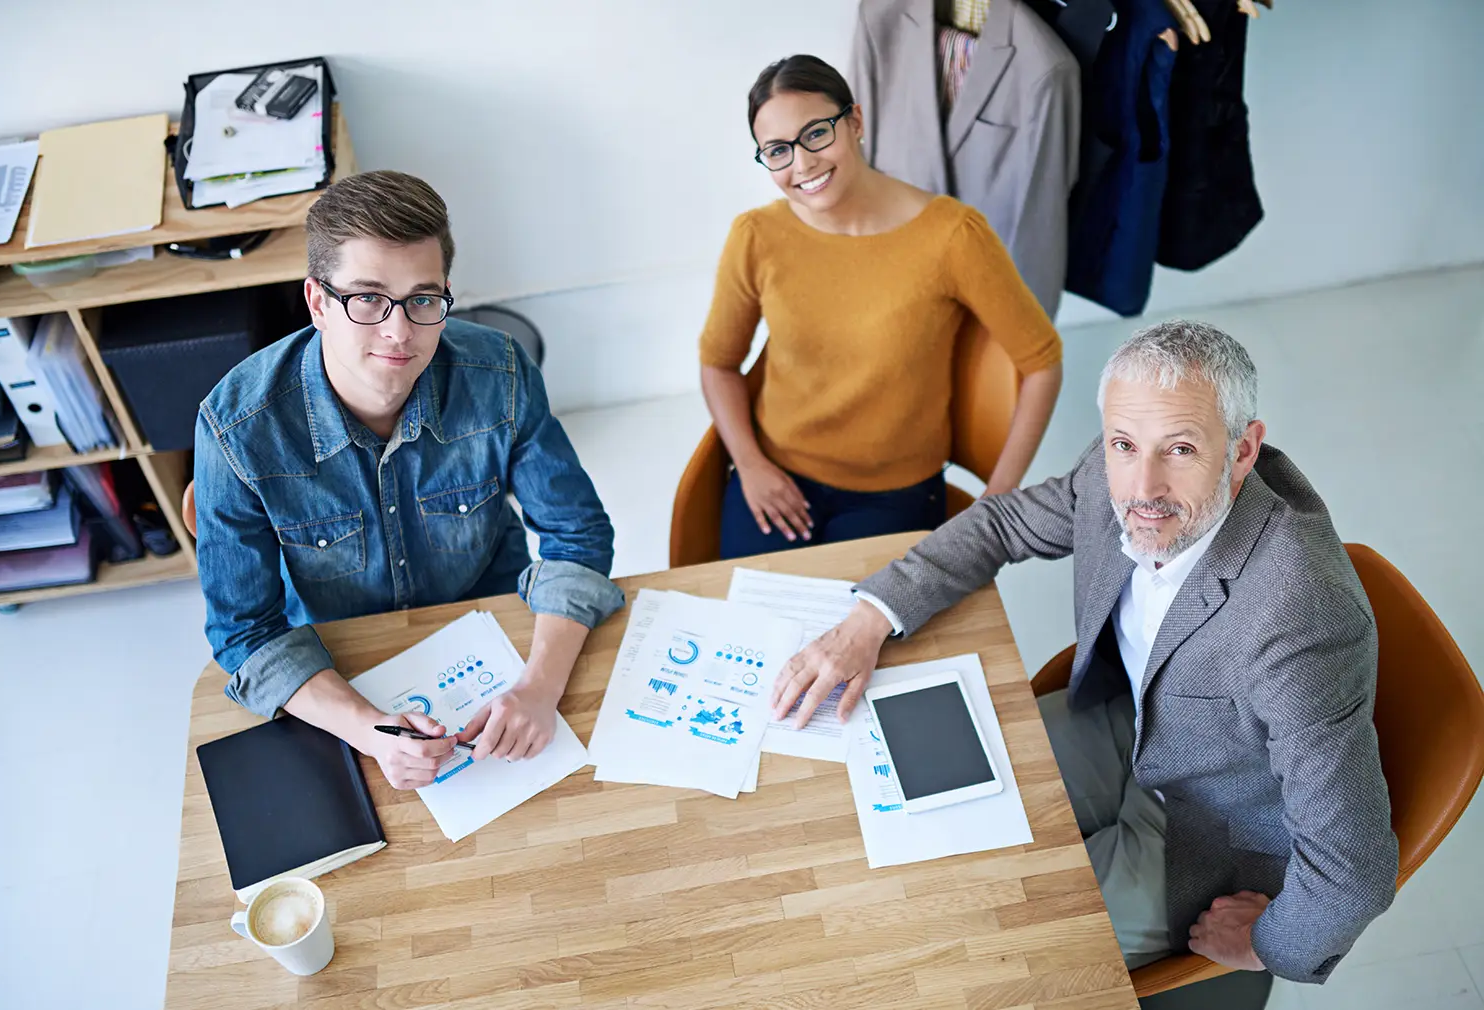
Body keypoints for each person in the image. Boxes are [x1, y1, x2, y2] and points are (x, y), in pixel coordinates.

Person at [771, 320, 1397, 984]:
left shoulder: (1299, 614)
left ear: (1243, 451)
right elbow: (1005, 522)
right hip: (1123, 726)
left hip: (1208, 836)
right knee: (931, 813)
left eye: (1180, 449)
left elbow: (1354, 867)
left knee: (997, 948)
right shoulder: (1117, 468)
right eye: (1125, 444)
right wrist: (870, 618)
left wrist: (1272, 944)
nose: (1142, 488)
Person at [194, 170, 623, 790]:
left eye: (423, 299)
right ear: (317, 301)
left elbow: (577, 536)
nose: (400, 332)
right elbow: (244, 632)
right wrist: (370, 732)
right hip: (338, 666)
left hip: (500, 641)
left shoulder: (500, 373)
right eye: (367, 298)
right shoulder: (236, 426)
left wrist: (537, 689)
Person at [699, 55, 1064, 560]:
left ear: (855, 122)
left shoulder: (952, 235)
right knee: (750, 634)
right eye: (778, 150)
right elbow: (718, 363)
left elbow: (1041, 362)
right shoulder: (755, 236)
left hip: (895, 494)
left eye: (816, 134)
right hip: (773, 479)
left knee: (865, 635)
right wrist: (751, 464)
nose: (802, 164)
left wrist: (997, 502)